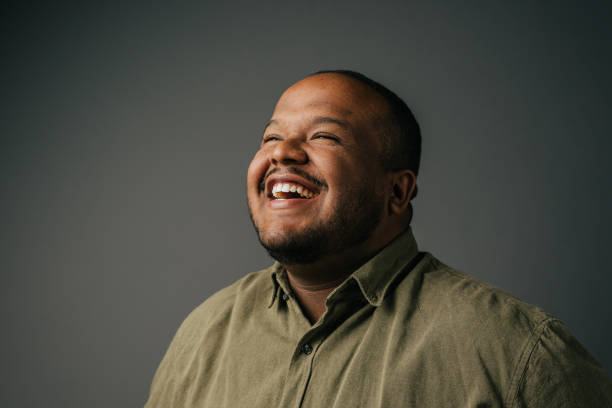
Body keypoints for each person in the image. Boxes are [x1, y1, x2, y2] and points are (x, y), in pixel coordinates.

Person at [145, 70, 612, 407]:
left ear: (397, 190)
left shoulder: (521, 355)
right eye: (270, 138)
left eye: (324, 136)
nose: (282, 152)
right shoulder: (203, 334)